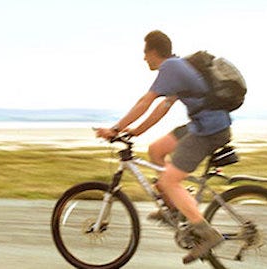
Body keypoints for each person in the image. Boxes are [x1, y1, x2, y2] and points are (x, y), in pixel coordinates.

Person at [95, 30, 232, 264]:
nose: (143, 58)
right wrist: (137, 131)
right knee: (156, 150)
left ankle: (207, 234)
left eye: (145, 53)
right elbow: (162, 107)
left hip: (209, 130)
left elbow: (146, 101)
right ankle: (175, 207)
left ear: (154, 51)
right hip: (204, 124)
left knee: (168, 181)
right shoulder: (177, 67)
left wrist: (115, 129)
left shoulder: (170, 68)